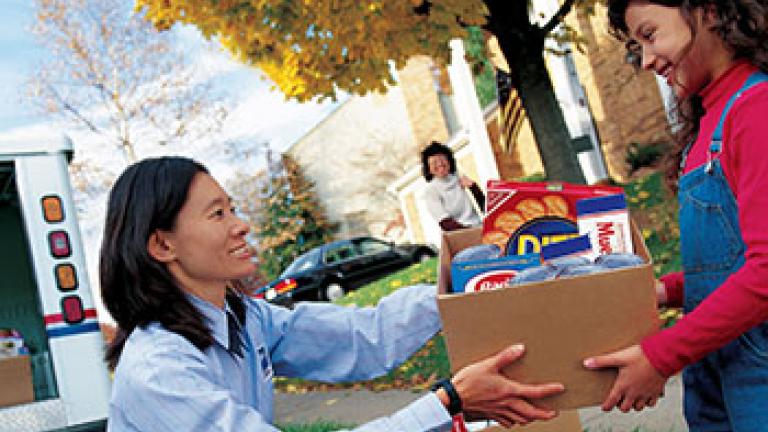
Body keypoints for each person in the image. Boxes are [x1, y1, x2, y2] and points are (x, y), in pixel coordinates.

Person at [101, 156, 565, 431]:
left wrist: (477, 287)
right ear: (162, 244)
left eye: (233, 208)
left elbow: (365, 337)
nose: (241, 225)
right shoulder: (158, 373)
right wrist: (449, 401)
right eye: (217, 214)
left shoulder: (246, 318)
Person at [583, 1, 768, 430]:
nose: (646, 61)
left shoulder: (755, 110)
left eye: (650, 35)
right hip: (715, 376)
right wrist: (664, 292)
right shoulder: (707, 123)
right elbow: (733, 261)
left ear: (709, 12)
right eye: (637, 46)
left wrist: (660, 356)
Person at [421, 141, 485, 231]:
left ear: (449, 161)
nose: (440, 164)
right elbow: (445, 223)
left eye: (442, 159)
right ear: (429, 169)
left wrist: (474, 188)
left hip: (479, 227)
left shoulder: (459, 178)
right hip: (459, 236)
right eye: (434, 162)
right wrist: (471, 231)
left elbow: (485, 208)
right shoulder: (431, 191)